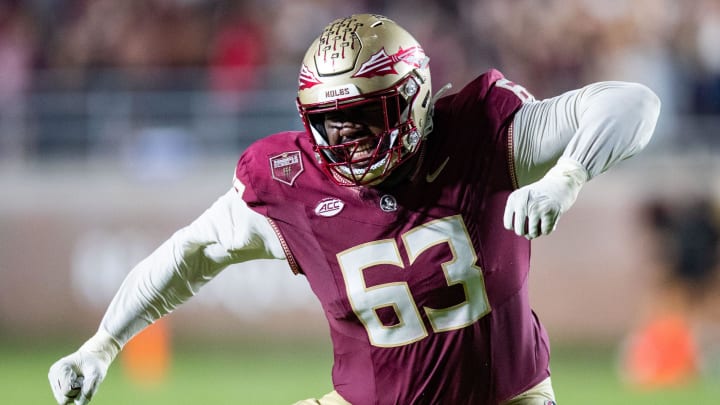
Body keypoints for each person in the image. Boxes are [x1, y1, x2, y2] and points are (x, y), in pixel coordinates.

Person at [48, 14, 660, 405]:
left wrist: (568, 177)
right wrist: (102, 344)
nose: (347, 140)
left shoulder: (481, 133)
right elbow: (192, 253)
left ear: (414, 100)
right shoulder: (288, 181)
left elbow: (631, 103)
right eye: (330, 123)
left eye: (366, 118)